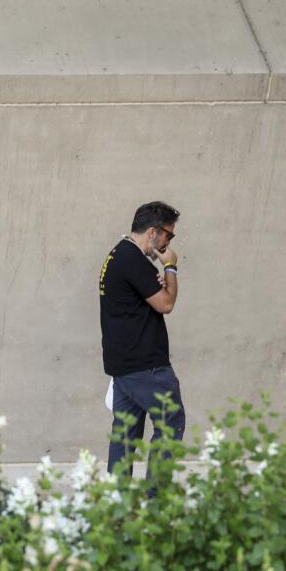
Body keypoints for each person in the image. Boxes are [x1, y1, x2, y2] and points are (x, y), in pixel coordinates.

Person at [98, 201, 185, 477]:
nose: (168, 242)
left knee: (125, 435)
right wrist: (170, 267)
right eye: (168, 235)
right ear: (152, 232)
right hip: (147, 366)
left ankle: (117, 502)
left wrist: (157, 280)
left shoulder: (118, 256)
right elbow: (166, 304)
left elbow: (146, 299)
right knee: (171, 423)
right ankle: (155, 500)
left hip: (124, 365)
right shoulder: (133, 260)